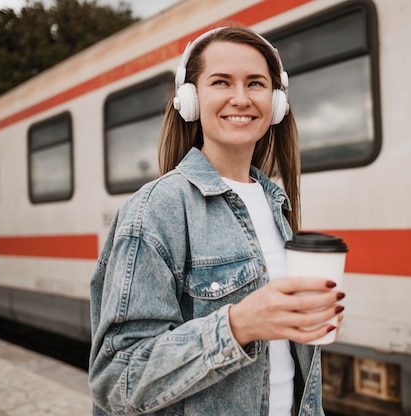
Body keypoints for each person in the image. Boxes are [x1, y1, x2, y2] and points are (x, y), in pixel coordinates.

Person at [88, 25, 345, 416]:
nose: (241, 99)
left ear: (275, 102)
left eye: (256, 83)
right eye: (222, 82)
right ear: (191, 99)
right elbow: (116, 381)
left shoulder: (275, 204)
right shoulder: (157, 209)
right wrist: (239, 325)